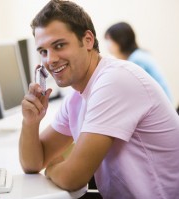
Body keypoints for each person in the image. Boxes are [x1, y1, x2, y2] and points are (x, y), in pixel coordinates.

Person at [18, 0, 179, 198]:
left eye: (59, 45)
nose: (50, 59)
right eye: (43, 51)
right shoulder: (76, 97)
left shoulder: (114, 80)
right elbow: (32, 164)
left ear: (88, 40)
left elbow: (73, 178)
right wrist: (30, 122)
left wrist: (52, 169)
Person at [105, 22, 172, 101]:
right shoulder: (139, 55)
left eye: (109, 41)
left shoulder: (136, 60)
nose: (108, 46)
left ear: (120, 40)